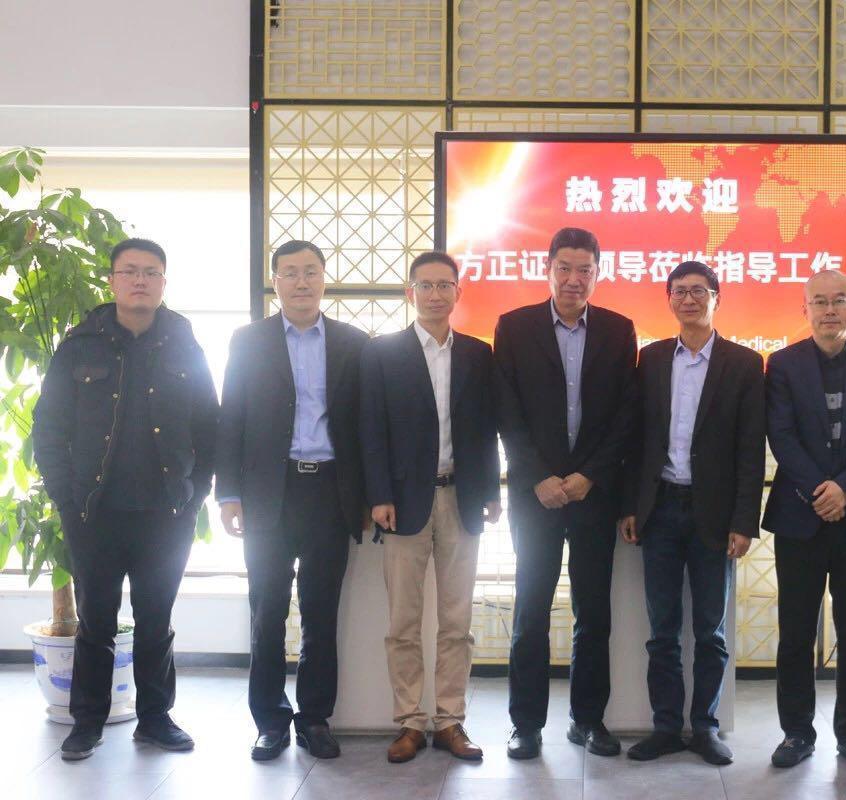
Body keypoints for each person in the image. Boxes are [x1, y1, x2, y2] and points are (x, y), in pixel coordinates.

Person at [33, 238, 219, 761]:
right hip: (94, 511)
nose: (140, 280)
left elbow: (209, 426)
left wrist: (196, 493)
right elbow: (49, 429)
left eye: (151, 272)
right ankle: (86, 722)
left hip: (167, 511)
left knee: (156, 620)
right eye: (130, 271)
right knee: (96, 621)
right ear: (112, 280)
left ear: (164, 282)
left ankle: (155, 719)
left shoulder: (185, 345)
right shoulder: (80, 345)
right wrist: (66, 498)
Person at [214, 240, 368, 761]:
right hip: (267, 492)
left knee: (321, 612)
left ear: (324, 278)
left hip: (329, 491)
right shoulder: (248, 341)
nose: (301, 282)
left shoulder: (353, 342)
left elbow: (365, 426)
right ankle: (270, 720)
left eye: (310, 272)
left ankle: (315, 718)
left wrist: (369, 496)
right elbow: (230, 417)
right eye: (290, 273)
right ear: (275, 281)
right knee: (267, 611)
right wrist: (228, 492)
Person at [495, 227, 637, 760]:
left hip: (593, 495)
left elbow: (626, 414)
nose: (574, 279)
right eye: (565, 268)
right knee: (531, 609)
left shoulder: (619, 330)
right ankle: (526, 725)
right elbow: (506, 409)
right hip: (535, 496)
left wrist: (589, 476)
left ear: (597, 274)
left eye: (585, 270)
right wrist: (537, 476)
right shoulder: (515, 326)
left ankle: (588, 719)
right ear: (548, 269)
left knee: (592, 612)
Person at [618, 261, 765, 765]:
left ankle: (705, 727)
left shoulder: (744, 363)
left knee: (710, 631)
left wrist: (744, 521)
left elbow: (751, 449)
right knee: (662, 631)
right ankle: (665, 727)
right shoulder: (652, 358)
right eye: (679, 291)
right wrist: (631, 505)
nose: (688, 299)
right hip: (659, 508)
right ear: (669, 299)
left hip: (715, 516)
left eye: (698, 291)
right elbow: (636, 439)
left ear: (716, 297)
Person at [359, 251, 501, 763]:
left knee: (456, 621)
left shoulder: (479, 354)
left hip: (462, 497)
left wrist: (491, 492)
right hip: (402, 503)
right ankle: (410, 722)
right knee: (404, 621)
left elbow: (486, 430)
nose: (436, 294)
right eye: (426, 285)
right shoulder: (383, 353)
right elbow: (370, 428)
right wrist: (378, 495)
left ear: (459, 292)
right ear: (410, 292)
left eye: (445, 285)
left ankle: (449, 720)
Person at [762, 269, 846, 771]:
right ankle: (797, 733)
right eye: (819, 301)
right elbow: (780, 434)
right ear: (805, 309)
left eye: (839, 300)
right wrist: (820, 490)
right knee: (796, 632)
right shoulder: (782, 365)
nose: (829, 310)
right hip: (800, 517)